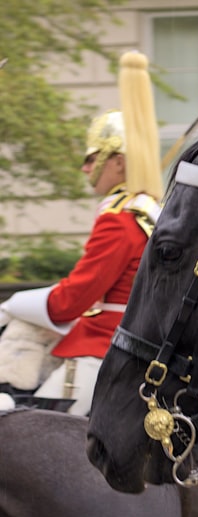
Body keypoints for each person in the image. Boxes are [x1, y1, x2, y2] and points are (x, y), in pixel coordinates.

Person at [0, 51, 162, 416]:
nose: (86, 166)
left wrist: (17, 305)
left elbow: (72, 301)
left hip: (103, 345)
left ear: (119, 162)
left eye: (94, 156)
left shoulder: (119, 220)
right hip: (133, 340)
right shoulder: (148, 211)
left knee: (19, 426)